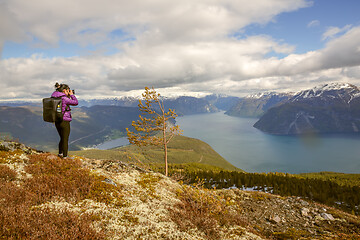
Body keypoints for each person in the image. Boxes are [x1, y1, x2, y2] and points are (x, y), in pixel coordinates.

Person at [51, 82, 78, 159]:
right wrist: (72, 95)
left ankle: (60, 153)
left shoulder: (54, 97)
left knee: (62, 138)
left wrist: (68, 96)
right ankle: (65, 156)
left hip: (57, 120)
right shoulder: (64, 98)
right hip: (64, 121)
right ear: (64, 90)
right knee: (65, 139)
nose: (69, 92)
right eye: (68, 90)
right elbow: (75, 102)